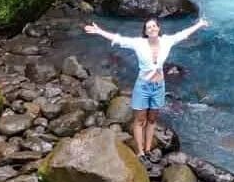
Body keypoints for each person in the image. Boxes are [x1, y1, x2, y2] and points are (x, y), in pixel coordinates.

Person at [83, 16, 210, 159]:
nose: (152, 29)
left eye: (154, 26)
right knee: (140, 120)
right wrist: (99, 31)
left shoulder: (166, 41)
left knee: (152, 120)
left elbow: (183, 34)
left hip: (159, 86)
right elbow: (118, 39)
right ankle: (140, 151)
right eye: (149, 27)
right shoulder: (139, 43)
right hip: (143, 86)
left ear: (158, 28)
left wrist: (199, 24)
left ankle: (148, 149)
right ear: (146, 32)